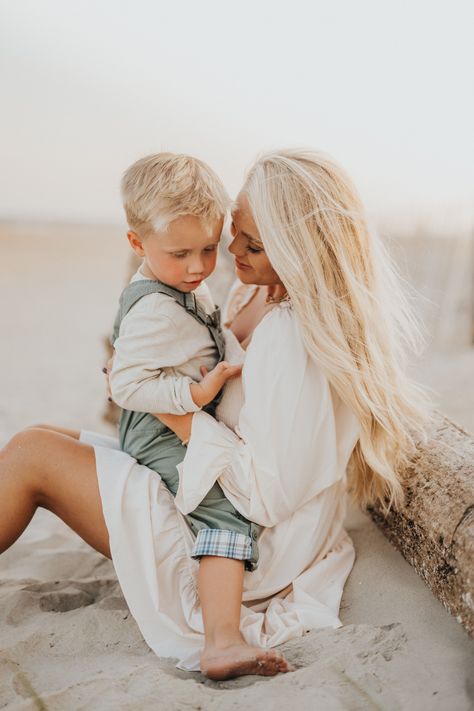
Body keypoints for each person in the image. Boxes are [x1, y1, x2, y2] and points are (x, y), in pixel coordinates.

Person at [0, 149, 428, 682]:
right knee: (42, 436)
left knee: (30, 456)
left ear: (299, 252)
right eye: (236, 229)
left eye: (251, 244)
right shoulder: (256, 288)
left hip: (240, 545)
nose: (229, 251)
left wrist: (174, 410)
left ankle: (221, 637)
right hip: (206, 482)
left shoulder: (292, 339)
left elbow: (266, 495)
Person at [109, 153, 263, 671]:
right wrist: (193, 398)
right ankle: (222, 641)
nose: (198, 267)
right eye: (180, 253)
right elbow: (125, 385)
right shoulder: (155, 306)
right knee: (224, 511)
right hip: (158, 430)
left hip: (164, 419)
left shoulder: (181, 282)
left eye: (208, 249)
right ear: (137, 244)